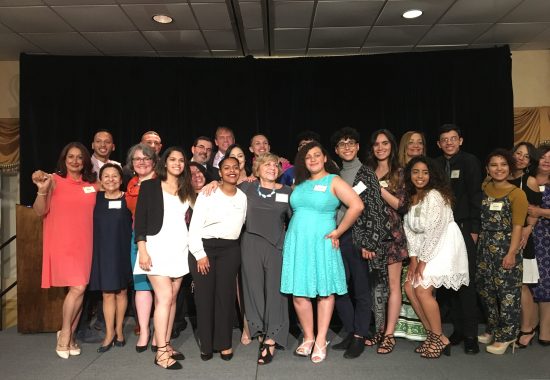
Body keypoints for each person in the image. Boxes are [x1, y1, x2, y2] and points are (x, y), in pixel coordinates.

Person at [280, 141, 363, 364]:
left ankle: (321, 339)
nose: (313, 159)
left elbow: (357, 205)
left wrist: (338, 232)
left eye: (317, 155)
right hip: (297, 242)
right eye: (309, 157)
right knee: (299, 292)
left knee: (324, 290)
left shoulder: (333, 180)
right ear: (303, 162)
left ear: (325, 158)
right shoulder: (300, 182)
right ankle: (307, 337)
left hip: (322, 242)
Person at [32, 142, 98, 359]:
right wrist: (42, 191)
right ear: (64, 159)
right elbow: (39, 212)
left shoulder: (93, 184)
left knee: (80, 287)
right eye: (71, 156)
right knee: (78, 288)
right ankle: (66, 334)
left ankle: (68, 334)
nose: (75, 161)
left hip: (85, 243)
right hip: (62, 242)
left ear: (86, 161)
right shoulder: (53, 180)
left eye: (80, 157)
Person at [330, 128, 390, 359]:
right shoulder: (332, 174)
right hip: (337, 238)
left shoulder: (367, 174)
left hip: (359, 238)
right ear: (336, 150)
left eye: (351, 143)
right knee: (339, 287)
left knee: (361, 290)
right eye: (342, 144)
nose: (346, 147)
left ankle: (360, 336)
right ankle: (352, 330)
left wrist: (370, 243)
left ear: (357, 147)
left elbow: (376, 211)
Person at [134, 146, 196, 370]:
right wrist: (142, 250)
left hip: (180, 247)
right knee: (164, 297)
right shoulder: (150, 185)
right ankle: (160, 352)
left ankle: (166, 343)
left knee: (172, 299)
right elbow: (139, 221)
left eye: (181, 160)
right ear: (165, 162)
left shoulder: (186, 188)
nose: (177, 163)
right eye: (173, 159)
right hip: (156, 247)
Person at [403, 156, 469, 359]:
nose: (420, 176)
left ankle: (439, 337)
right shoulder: (412, 197)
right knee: (408, 286)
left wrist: (422, 261)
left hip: (445, 244)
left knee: (422, 290)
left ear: (432, 175)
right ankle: (434, 336)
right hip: (425, 247)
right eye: (416, 172)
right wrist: (413, 259)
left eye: (425, 172)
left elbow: (435, 230)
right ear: (409, 174)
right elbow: (410, 230)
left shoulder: (435, 195)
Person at [188, 156, 247, 361]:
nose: (232, 171)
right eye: (226, 168)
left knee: (226, 297)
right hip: (204, 248)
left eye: (235, 168)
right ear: (219, 173)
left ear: (240, 171)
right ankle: (206, 344)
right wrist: (200, 254)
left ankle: (224, 343)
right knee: (204, 298)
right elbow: (194, 226)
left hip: (230, 250)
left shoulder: (242, 197)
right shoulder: (208, 193)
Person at [239, 153, 292, 364]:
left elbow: (294, 220)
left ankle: (272, 338)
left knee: (275, 292)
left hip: (276, 246)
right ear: (257, 169)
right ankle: (259, 328)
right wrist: (214, 182)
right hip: (250, 243)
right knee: (253, 289)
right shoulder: (246, 187)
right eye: (267, 164)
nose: (272, 167)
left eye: (275, 165)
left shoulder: (288, 192)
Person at [434, 124, 483, 354]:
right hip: (441, 231)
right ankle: (459, 329)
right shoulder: (434, 164)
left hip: (464, 228)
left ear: (460, 141)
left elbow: (475, 195)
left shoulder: (470, 161)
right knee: (449, 282)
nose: (449, 143)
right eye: (445, 140)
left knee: (467, 281)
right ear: (439, 144)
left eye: (453, 138)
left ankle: (471, 335)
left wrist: (474, 229)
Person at [365, 129, 414, 353]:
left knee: (394, 287)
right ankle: (378, 329)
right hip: (372, 237)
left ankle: (389, 334)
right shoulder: (367, 171)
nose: (380, 147)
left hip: (393, 236)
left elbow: (402, 206)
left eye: (385, 143)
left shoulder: (400, 172)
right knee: (376, 287)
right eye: (376, 144)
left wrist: (379, 188)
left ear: (392, 146)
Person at [477, 149, 528, 355]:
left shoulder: (517, 194)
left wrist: (511, 253)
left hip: (506, 247)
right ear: (487, 169)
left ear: (510, 167)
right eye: (494, 165)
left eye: (503, 164)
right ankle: (494, 328)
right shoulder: (485, 187)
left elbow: (518, 226)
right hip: (484, 248)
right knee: (486, 291)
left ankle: (508, 336)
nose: (499, 169)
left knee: (507, 294)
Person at [88, 163, 132, 352]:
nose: (111, 179)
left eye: (115, 176)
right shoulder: (94, 199)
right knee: (107, 294)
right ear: (101, 180)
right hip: (102, 252)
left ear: (121, 180)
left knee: (121, 292)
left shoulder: (127, 199)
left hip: (122, 250)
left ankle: (120, 330)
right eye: (106, 176)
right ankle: (109, 334)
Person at [393, 130, 428, 343]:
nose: (415, 146)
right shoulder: (397, 171)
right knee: (401, 282)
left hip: (423, 233)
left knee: (418, 280)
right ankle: (402, 325)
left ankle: (426, 328)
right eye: (410, 143)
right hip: (399, 231)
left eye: (419, 142)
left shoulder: (428, 170)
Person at [125, 143, 158, 351]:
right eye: (138, 159)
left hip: (159, 239)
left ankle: (160, 332)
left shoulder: (162, 182)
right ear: (132, 163)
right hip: (137, 239)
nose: (142, 162)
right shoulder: (131, 184)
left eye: (146, 158)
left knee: (161, 288)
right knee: (141, 286)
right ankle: (145, 331)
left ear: (154, 162)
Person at [509, 142, 542, 348]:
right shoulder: (500, 176)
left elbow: (534, 211)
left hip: (521, 238)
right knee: (508, 286)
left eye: (526, 156)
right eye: (518, 153)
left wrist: (528, 231)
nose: (521, 158)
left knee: (521, 286)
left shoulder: (529, 181)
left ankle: (528, 329)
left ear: (530, 162)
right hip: (501, 238)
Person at [527, 144, 550, 346]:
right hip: (528, 236)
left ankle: (546, 330)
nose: (546, 161)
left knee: (546, 283)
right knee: (530, 282)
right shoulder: (528, 180)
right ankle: (530, 326)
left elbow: (536, 210)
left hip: (547, 240)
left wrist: (541, 212)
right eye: (543, 157)